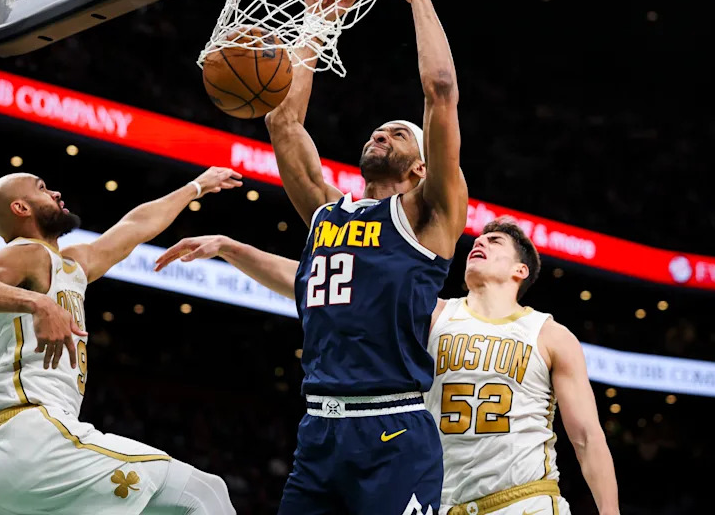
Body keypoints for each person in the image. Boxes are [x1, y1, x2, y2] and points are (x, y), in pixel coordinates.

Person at [165, 0, 469, 515]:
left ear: (420, 168)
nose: (382, 133)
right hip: (319, 432)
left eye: (398, 134)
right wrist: (318, 22)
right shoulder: (329, 215)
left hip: (393, 429)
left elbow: (441, 92)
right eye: (378, 130)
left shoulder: (429, 217)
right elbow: (283, 121)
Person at [155, 218, 620, 515]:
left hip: (525, 500)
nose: (478, 244)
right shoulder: (431, 313)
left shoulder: (550, 334)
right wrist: (231, 248)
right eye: (476, 240)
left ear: (521, 271)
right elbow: (318, 281)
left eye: (494, 242)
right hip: (443, 500)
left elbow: (586, 438)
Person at [0, 167, 243, 515]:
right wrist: (38, 302)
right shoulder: (27, 254)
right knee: (204, 492)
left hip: (5, 470)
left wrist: (196, 187)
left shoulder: (69, 264)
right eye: (42, 188)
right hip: (34, 439)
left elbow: (134, 227)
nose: (54, 192)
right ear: (21, 208)